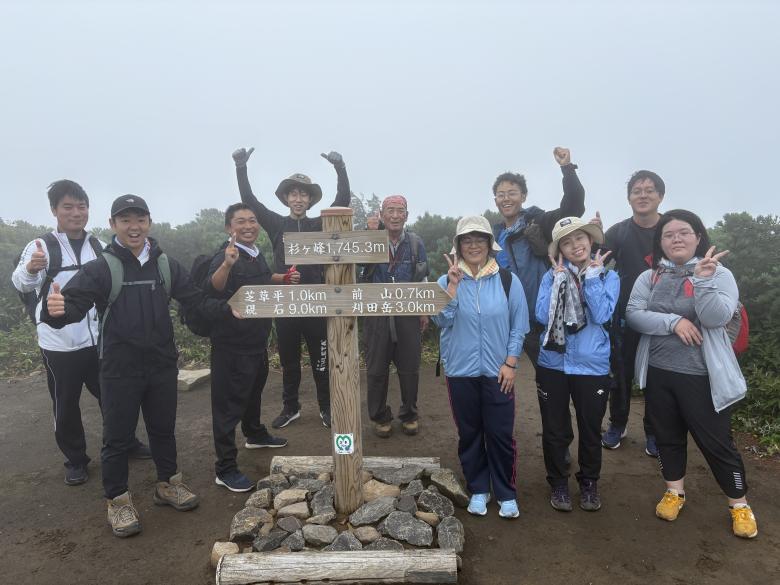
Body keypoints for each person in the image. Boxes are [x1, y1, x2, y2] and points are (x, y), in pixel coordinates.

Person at [41, 194, 232, 538]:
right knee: (117, 438)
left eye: (140, 219)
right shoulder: (101, 267)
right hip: (118, 368)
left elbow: (195, 299)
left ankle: (168, 485)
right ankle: (117, 500)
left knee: (163, 430)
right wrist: (54, 312)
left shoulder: (165, 265)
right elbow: (72, 306)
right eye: (126, 220)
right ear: (113, 225)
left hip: (160, 365)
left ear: (149, 222)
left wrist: (229, 309)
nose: (134, 227)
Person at [626, 209, 758, 539]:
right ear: (661, 243)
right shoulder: (651, 276)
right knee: (668, 437)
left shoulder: (719, 274)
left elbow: (715, 318)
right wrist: (674, 322)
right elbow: (634, 315)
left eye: (684, 232)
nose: (676, 239)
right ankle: (674, 492)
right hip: (660, 371)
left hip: (702, 376)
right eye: (668, 235)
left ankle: (739, 505)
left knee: (717, 444)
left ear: (698, 236)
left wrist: (701, 281)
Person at [11, 180, 150, 487]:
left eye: (82, 206)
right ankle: (75, 459)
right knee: (65, 401)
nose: (76, 213)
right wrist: (32, 269)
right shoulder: (40, 247)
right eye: (68, 207)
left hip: (100, 339)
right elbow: (20, 283)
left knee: (113, 397)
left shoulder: (99, 246)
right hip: (59, 342)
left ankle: (125, 442)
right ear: (54, 210)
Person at [232, 147, 351, 429]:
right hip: (285, 302)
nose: (298, 199)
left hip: (317, 302)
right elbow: (249, 201)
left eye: (304, 194)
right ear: (287, 198)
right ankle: (291, 407)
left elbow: (342, 200)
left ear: (310, 199)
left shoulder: (319, 223)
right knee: (289, 361)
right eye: (294, 194)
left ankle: (326, 408)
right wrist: (241, 167)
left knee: (322, 360)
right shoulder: (276, 224)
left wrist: (341, 168)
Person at [433, 215, 529, 519]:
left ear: (490, 244)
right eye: (467, 240)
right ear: (458, 246)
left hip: (498, 370)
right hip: (460, 371)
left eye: (479, 239)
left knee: (500, 433)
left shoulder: (507, 280)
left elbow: (519, 325)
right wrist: (451, 287)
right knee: (470, 433)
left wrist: (511, 363)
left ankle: (506, 492)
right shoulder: (445, 280)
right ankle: (478, 488)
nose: (473, 245)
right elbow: (441, 321)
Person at [535, 217, 619, 512]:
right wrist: (559, 282)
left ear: (591, 241)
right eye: (567, 242)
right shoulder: (550, 276)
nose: (575, 246)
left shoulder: (609, 277)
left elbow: (602, 314)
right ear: (560, 249)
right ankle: (558, 482)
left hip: (592, 366)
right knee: (555, 429)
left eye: (580, 239)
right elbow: (542, 318)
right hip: (553, 364)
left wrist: (593, 279)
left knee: (590, 428)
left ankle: (589, 482)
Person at [205, 203, 288, 493]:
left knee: (253, 391)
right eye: (241, 221)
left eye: (252, 220)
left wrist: (282, 279)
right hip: (231, 345)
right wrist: (227, 264)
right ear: (230, 228)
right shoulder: (226, 255)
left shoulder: (254, 254)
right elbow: (214, 288)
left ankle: (254, 433)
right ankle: (225, 468)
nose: (249, 225)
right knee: (228, 405)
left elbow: (262, 281)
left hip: (256, 341)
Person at [492, 147, 586, 371]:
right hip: (511, 321)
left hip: (542, 319)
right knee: (518, 376)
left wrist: (567, 169)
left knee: (555, 376)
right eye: (501, 194)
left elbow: (573, 206)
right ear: (495, 199)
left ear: (523, 196)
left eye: (512, 193)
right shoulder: (493, 236)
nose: (506, 198)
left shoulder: (539, 222)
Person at [597, 170, 665, 456]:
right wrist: (594, 238)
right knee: (620, 374)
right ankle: (618, 423)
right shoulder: (619, 232)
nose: (643, 195)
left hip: (665, 316)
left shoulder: (670, 228)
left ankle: (654, 431)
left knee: (658, 377)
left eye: (649, 190)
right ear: (629, 198)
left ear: (661, 196)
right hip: (624, 315)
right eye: (637, 190)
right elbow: (595, 263)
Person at [362, 195, 429, 438]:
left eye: (400, 210)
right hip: (376, 313)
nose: (395, 215)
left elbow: (422, 277)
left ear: (407, 215)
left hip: (407, 312)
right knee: (376, 369)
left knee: (410, 368)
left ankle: (409, 414)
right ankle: (380, 417)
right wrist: (368, 235)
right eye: (390, 210)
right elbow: (359, 270)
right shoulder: (369, 239)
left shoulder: (415, 242)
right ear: (381, 214)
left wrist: (423, 310)